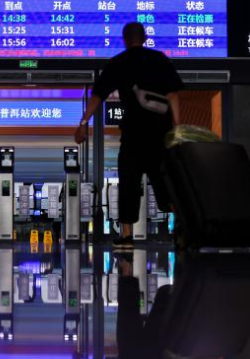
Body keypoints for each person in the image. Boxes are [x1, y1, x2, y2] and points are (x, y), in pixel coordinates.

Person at [75, 22, 184, 249]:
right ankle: (182, 229)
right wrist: (177, 127)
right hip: (159, 135)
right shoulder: (160, 59)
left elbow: (98, 95)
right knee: (165, 184)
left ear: (124, 40)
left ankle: (126, 237)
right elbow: (173, 95)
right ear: (145, 38)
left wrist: (84, 123)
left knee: (128, 184)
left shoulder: (118, 63)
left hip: (133, 135)